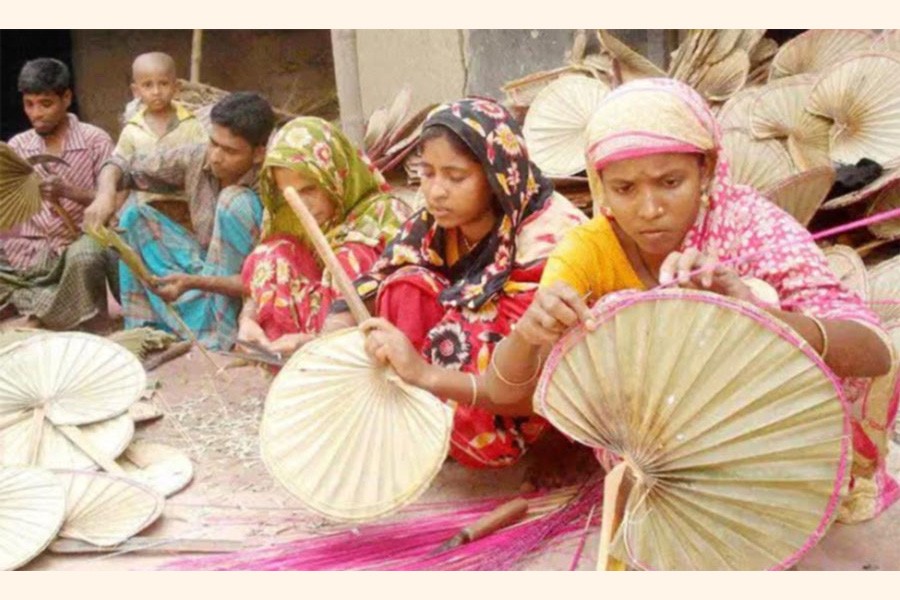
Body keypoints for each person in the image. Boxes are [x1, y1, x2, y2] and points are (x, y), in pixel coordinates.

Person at [486, 78, 897, 523]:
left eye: (670, 182)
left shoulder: (749, 226)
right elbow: (508, 391)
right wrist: (530, 332)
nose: (649, 208)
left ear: (706, 169)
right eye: (624, 188)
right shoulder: (587, 250)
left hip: (765, 434)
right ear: (599, 185)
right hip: (651, 452)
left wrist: (761, 318)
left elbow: (875, 354)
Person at [324, 98, 587, 469]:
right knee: (405, 285)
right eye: (428, 173)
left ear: (497, 174)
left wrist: (422, 369)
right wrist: (336, 324)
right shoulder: (434, 223)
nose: (436, 192)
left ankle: (536, 448)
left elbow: (555, 358)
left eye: (455, 176)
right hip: (451, 381)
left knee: (475, 327)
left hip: (522, 396)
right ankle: (422, 424)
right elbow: (379, 275)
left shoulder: (552, 238)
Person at [85, 91, 275, 350]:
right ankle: (147, 330)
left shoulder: (273, 183)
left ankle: (224, 334)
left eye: (229, 150)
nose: (216, 156)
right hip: (207, 268)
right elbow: (121, 164)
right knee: (134, 216)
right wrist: (105, 195)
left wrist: (193, 282)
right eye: (213, 143)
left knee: (234, 201)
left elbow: (263, 277)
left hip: (252, 287)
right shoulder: (199, 157)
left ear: (258, 153)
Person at [236, 117, 411, 356]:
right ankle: (281, 357)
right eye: (289, 193)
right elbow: (259, 281)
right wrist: (248, 320)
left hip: (365, 344)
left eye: (310, 189)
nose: (301, 204)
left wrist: (315, 343)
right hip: (302, 339)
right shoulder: (288, 215)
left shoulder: (385, 214)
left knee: (349, 257)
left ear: (335, 177)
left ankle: (324, 359)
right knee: (272, 254)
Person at [0, 58, 116, 330]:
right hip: (29, 253)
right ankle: (53, 303)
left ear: (66, 98)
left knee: (87, 257)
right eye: (29, 104)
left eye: (46, 104)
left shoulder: (94, 140)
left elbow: (114, 201)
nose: (36, 113)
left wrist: (69, 192)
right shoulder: (19, 145)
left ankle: (42, 316)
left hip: (74, 247)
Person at [113, 52, 206, 162]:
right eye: (148, 85)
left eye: (163, 84)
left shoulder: (191, 126)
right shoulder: (132, 130)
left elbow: (204, 158)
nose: (156, 92)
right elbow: (119, 162)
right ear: (136, 91)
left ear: (176, 88)